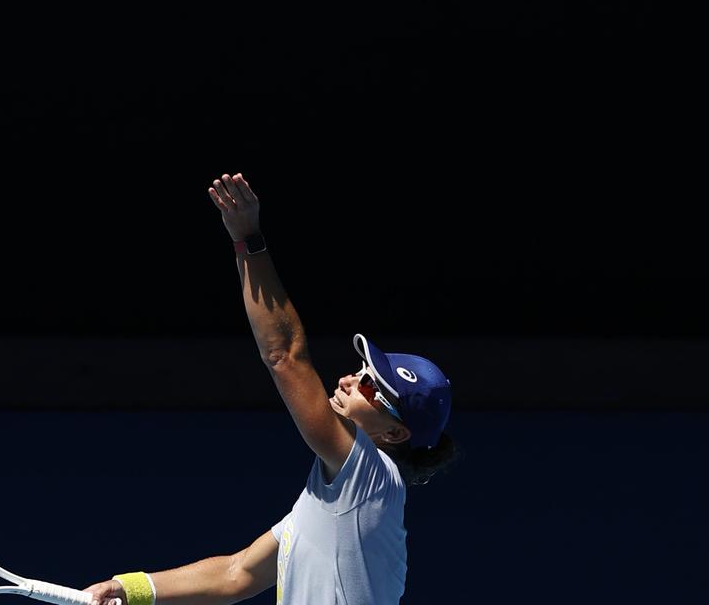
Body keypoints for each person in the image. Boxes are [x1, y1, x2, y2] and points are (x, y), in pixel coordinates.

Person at [83, 172, 461, 605]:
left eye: (371, 386)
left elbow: (284, 356)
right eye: (360, 370)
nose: (349, 380)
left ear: (395, 434)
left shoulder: (372, 479)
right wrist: (128, 589)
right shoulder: (333, 497)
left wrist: (248, 240)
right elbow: (236, 574)